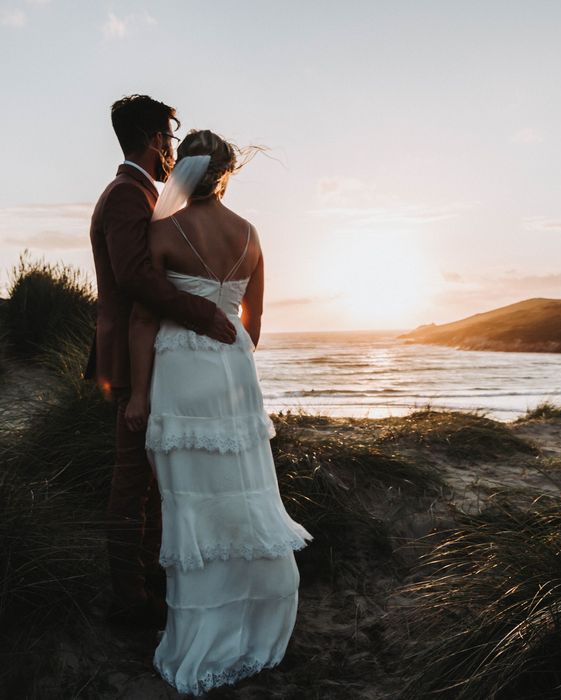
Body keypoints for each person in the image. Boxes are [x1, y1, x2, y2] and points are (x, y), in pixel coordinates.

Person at [124, 129, 313, 695]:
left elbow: (141, 320)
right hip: (235, 374)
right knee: (243, 494)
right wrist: (226, 342)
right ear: (227, 173)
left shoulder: (162, 230)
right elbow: (252, 327)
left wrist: (137, 395)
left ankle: (201, 632)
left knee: (192, 505)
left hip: (182, 376)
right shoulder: (251, 235)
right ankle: (255, 628)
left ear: (183, 168)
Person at [85, 95, 238, 629]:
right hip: (130, 361)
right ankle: (128, 600)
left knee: (150, 481)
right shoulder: (128, 197)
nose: (173, 148)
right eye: (169, 138)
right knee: (132, 482)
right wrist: (200, 311)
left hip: (147, 357)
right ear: (155, 140)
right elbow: (133, 277)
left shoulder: (141, 194)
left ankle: (146, 583)